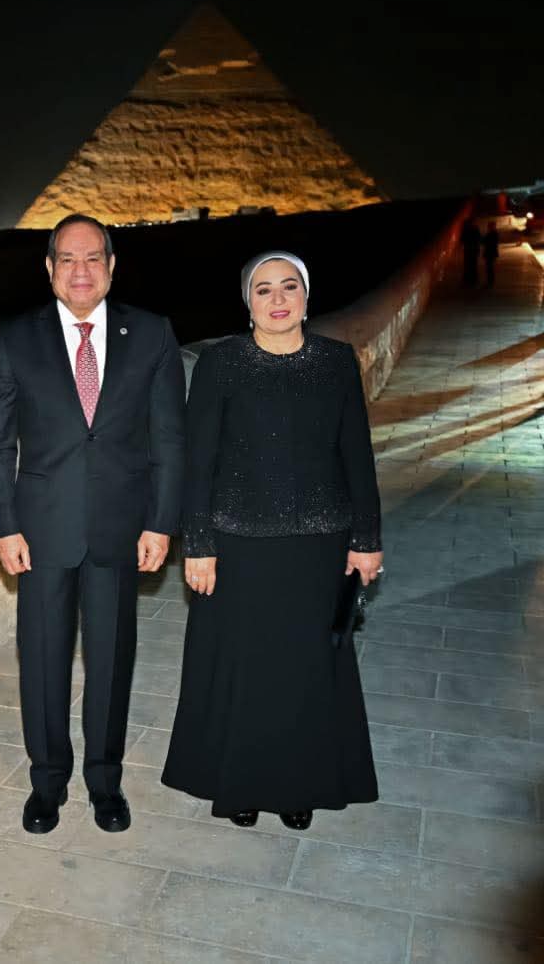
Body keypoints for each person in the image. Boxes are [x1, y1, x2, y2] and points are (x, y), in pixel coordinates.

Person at [0, 214, 186, 836]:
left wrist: (161, 523)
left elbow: (169, 439)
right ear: (49, 269)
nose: (81, 270)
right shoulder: (15, 338)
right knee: (42, 662)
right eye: (67, 259)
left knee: (112, 660)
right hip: (40, 531)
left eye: (93, 257)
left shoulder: (151, 334)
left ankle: (105, 781)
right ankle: (47, 782)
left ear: (112, 266)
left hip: (122, 528)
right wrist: (3, 527)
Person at [162, 250, 383, 831]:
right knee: (246, 666)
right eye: (264, 290)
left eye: (289, 287)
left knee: (307, 668)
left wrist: (366, 538)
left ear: (307, 297)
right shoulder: (221, 363)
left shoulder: (336, 361)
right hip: (239, 545)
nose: (278, 299)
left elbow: (356, 454)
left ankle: (298, 785)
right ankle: (240, 783)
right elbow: (197, 461)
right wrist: (198, 545)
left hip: (320, 545)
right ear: (248, 301)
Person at [482, 222, 501, 288]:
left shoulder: (492, 234)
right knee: (489, 267)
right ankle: (490, 281)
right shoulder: (493, 233)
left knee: (489, 267)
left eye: (489, 226)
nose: (488, 228)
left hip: (490, 253)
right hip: (491, 252)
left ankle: (490, 281)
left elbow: (486, 241)